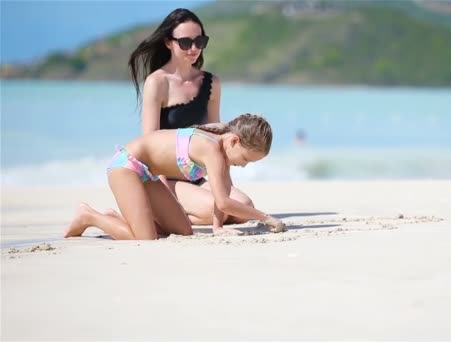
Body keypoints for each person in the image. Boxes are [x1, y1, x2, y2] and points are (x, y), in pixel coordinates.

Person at [64, 114, 286, 240]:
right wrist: (264, 217)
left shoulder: (223, 145)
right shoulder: (212, 150)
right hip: (127, 167)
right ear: (235, 141)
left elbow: (224, 191)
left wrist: (217, 227)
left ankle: (117, 218)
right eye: (246, 159)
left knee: (183, 231)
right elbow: (224, 202)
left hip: (147, 175)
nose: (244, 166)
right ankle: (90, 216)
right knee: (145, 240)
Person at [128, 8, 254, 226]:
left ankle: (170, 217)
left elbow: (218, 142)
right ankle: (158, 215)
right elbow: (149, 146)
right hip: (164, 178)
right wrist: (164, 196)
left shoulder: (211, 84)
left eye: (200, 41)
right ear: (169, 42)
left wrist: (224, 187)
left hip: (196, 177)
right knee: (216, 212)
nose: (194, 48)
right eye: (185, 42)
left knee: (245, 207)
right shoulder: (157, 83)